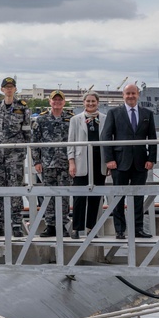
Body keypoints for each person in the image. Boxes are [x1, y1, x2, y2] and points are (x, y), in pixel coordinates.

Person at [100, 83, 157, 239]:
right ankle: (120, 230)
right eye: (128, 94)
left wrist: (152, 158)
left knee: (138, 197)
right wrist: (109, 159)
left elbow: (152, 137)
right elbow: (106, 136)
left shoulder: (147, 113)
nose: (131, 96)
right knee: (119, 196)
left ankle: (137, 228)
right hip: (119, 162)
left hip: (140, 162)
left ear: (138, 94)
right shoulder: (114, 113)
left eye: (133, 93)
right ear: (123, 96)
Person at [0, 77, 32, 237]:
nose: (9, 90)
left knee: (15, 190)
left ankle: (16, 224)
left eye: (11, 87)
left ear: (15, 89)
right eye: (6, 87)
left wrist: (21, 151)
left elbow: (27, 133)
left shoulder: (23, 108)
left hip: (15, 156)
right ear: (2, 90)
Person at [31, 90, 74, 237]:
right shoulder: (41, 120)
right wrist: (36, 161)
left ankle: (62, 225)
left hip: (65, 164)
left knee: (64, 195)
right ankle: (50, 225)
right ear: (50, 102)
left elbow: (75, 142)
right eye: (54, 100)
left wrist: (73, 162)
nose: (57, 102)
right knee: (48, 195)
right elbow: (35, 141)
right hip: (47, 163)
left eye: (59, 100)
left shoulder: (70, 119)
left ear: (63, 102)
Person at [67, 92, 107, 239]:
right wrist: (71, 161)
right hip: (81, 161)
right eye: (88, 101)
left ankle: (91, 227)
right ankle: (77, 228)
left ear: (98, 102)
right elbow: (71, 142)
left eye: (93, 101)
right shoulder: (75, 120)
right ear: (84, 103)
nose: (91, 104)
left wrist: (108, 161)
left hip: (99, 161)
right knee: (79, 196)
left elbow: (109, 140)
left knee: (96, 197)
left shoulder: (105, 119)